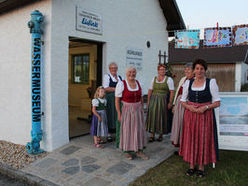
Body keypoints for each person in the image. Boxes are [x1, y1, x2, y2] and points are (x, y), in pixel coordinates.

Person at [179, 59, 220, 177]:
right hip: (191, 116)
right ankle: (191, 166)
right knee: (191, 138)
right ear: (194, 70)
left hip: (205, 116)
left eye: (202, 69)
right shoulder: (188, 83)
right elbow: (182, 101)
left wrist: (206, 107)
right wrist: (190, 107)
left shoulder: (211, 82)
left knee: (203, 139)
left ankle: (201, 167)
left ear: (205, 70)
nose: (199, 71)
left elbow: (217, 102)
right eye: (197, 68)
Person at [115, 67, 148, 160]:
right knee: (127, 130)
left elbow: (141, 97)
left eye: (134, 72)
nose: (132, 74)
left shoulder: (139, 83)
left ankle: (139, 150)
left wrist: (142, 109)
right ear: (126, 73)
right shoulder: (121, 84)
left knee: (138, 129)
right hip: (127, 109)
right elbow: (117, 100)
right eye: (130, 72)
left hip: (138, 110)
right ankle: (127, 151)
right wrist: (119, 113)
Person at [146, 64, 174, 142]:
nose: (162, 71)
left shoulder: (169, 80)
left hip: (163, 100)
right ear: (158, 71)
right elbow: (150, 90)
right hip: (153, 100)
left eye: (164, 69)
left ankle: (160, 135)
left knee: (161, 116)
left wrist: (170, 102)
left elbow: (172, 92)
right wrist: (148, 101)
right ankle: (152, 135)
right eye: (161, 69)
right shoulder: (154, 79)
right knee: (153, 116)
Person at [170, 63, 194, 148]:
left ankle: (186, 145)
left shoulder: (195, 80)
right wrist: (173, 105)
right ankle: (179, 144)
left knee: (186, 125)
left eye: (188, 69)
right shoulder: (183, 79)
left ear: (193, 71)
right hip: (179, 104)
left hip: (188, 104)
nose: (186, 71)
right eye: (185, 69)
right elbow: (177, 92)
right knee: (178, 124)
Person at [103, 62, 122, 142]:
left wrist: (117, 88)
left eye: (115, 68)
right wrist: (117, 89)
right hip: (110, 99)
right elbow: (106, 88)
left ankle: (118, 133)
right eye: (112, 68)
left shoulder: (120, 77)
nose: (113, 69)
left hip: (119, 98)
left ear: (117, 69)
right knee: (110, 115)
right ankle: (109, 135)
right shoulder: (107, 76)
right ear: (109, 69)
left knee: (118, 115)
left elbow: (123, 86)